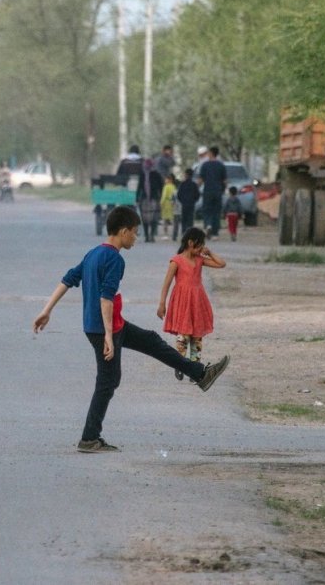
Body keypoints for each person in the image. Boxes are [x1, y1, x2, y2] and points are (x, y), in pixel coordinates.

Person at [32, 206, 230, 453]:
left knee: (151, 341)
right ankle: (89, 438)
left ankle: (200, 374)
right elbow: (106, 299)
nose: (136, 237)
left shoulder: (93, 253)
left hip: (107, 326)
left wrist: (46, 310)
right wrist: (107, 337)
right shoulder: (115, 259)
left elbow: (68, 279)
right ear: (123, 231)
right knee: (108, 381)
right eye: (135, 233)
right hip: (106, 329)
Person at [157, 227, 226, 381]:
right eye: (200, 244)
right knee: (184, 334)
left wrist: (209, 253)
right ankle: (180, 364)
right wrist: (162, 303)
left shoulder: (200, 260)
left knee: (197, 335)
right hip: (182, 301)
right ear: (190, 243)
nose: (202, 247)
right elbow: (166, 283)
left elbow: (221, 264)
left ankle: (194, 369)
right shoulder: (176, 261)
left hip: (197, 301)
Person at [197, 146, 227, 239]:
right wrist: (223, 189)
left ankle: (208, 225)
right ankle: (215, 234)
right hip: (218, 191)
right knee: (216, 212)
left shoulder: (205, 165)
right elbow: (225, 181)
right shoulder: (221, 165)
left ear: (211, 153)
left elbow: (200, 180)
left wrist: (196, 188)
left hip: (208, 191)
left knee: (207, 210)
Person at [135, 158, 163, 243]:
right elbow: (140, 186)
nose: (147, 166)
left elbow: (161, 186)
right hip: (144, 199)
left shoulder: (156, 174)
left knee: (154, 218)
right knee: (145, 219)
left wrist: (161, 197)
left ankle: (152, 235)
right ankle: (147, 235)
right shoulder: (142, 174)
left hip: (154, 198)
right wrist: (137, 197)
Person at [176, 168, 200, 237]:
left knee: (184, 218)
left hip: (184, 204)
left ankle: (184, 231)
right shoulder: (194, 185)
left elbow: (179, 195)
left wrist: (182, 201)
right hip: (191, 204)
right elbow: (197, 195)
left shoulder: (182, 184)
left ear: (186, 175)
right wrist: (194, 201)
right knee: (190, 218)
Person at [160, 173, 178, 241]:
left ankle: (165, 234)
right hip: (172, 204)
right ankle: (173, 233)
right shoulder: (174, 186)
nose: (165, 180)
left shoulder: (166, 186)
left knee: (165, 220)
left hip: (166, 203)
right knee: (172, 219)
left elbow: (164, 196)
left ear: (170, 179)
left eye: (166, 179)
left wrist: (161, 203)